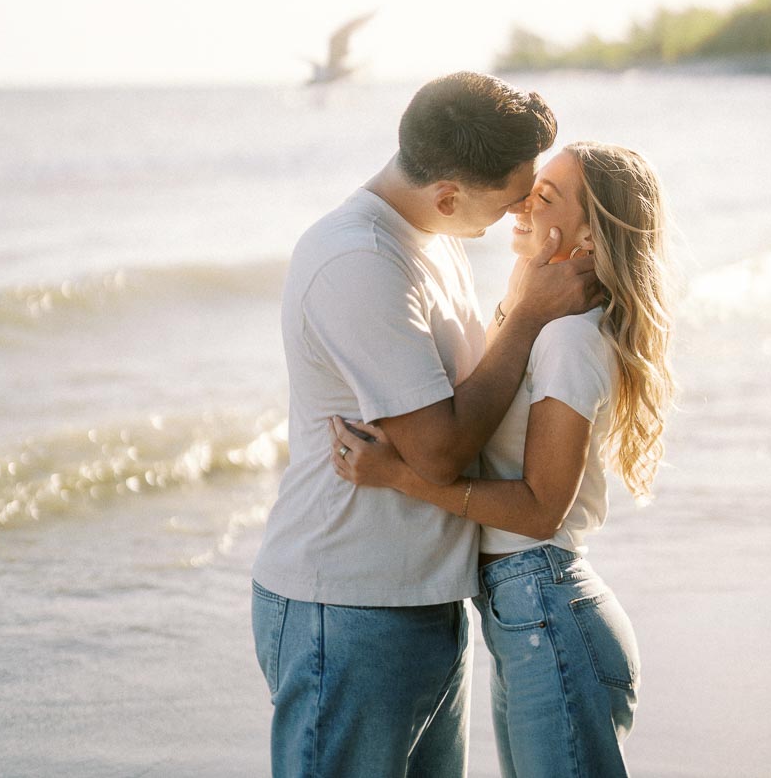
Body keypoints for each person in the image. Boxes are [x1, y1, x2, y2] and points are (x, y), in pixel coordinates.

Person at [251, 73, 601, 778]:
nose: (513, 218)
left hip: (423, 596)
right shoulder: (359, 260)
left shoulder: (431, 235)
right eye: (507, 203)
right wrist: (531, 313)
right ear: (448, 193)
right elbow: (438, 451)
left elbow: (478, 392)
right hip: (346, 606)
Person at [331, 140, 675, 778]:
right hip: (526, 612)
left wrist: (400, 476)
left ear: (593, 237)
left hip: (546, 604)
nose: (521, 202)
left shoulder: (570, 340)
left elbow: (541, 510)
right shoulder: (540, 323)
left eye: (543, 197)